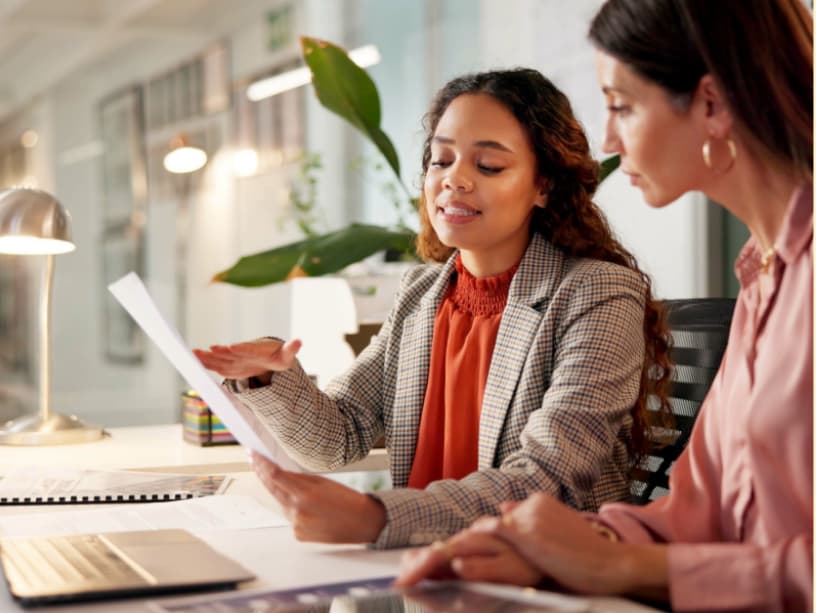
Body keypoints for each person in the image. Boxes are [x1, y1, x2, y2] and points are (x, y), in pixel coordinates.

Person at [395, 1, 813, 611]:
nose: (610, 139)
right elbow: (696, 513)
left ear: (713, 105)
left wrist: (619, 563)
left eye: (620, 105)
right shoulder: (764, 278)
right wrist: (555, 547)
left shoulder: (598, 288)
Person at [194, 68, 671, 549]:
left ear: (543, 185)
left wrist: (374, 517)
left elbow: (546, 479)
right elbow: (340, 437)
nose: (454, 180)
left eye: (488, 166)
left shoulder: (598, 292)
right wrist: (270, 375)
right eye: (441, 160)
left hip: (540, 579)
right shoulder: (422, 293)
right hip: (426, 572)